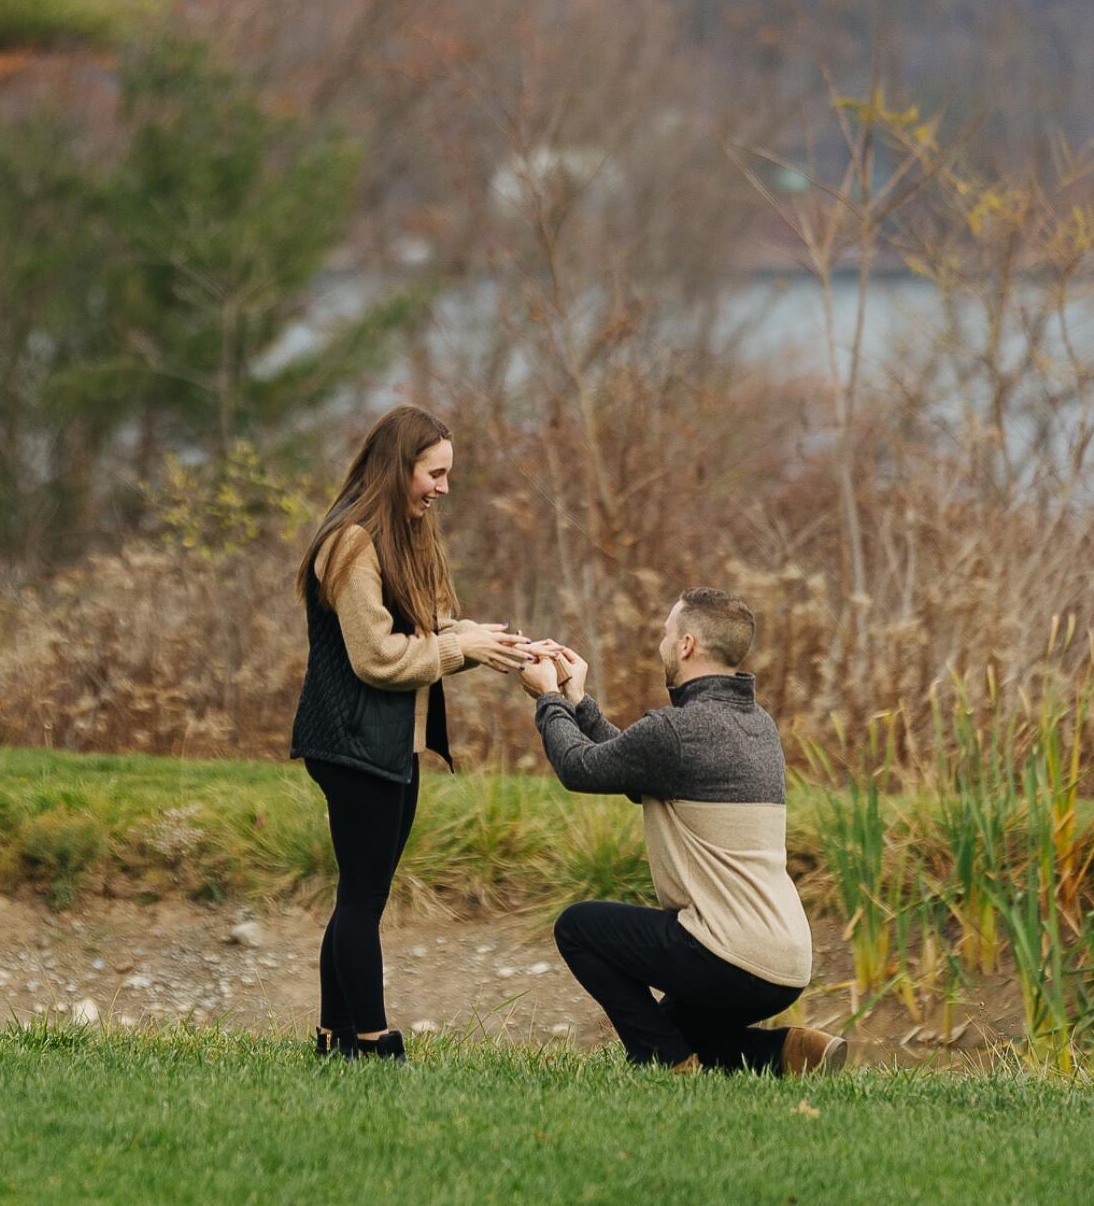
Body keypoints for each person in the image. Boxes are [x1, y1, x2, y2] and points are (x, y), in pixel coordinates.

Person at [290, 403, 543, 1062]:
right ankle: (371, 1041)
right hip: (350, 743)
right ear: (398, 468)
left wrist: (492, 641)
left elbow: (429, 630)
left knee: (359, 894)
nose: (443, 487)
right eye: (435, 473)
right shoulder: (351, 542)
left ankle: (333, 1036)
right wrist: (464, 650)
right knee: (364, 895)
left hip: (388, 745)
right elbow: (376, 657)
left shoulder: (403, 534)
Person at [520, 587, 845, 1076]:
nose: (661, 643)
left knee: (579, 928)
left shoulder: (678, 731)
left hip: (729, 955)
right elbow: (634, 767)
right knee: (680, 1028)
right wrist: (579, 702)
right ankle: (790, 1052)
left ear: (688, 644)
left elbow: (579, 768)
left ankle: (666, 1064)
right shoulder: (759, 726)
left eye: (667, 633)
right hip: (786, 963)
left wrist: (548, 699)